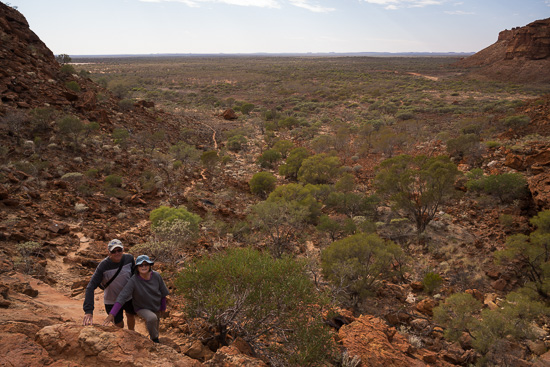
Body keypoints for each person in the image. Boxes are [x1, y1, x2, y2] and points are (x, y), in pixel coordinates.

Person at [103, 255, 169, 343]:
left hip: (155, 306)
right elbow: (122, 296)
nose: (144, 267)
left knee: (155, 326)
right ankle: (155, 341)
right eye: (141, 265)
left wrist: (163, 307)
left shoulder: (156, 276)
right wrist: (112, 314)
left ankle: (153, 341)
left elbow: (163, 293)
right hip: (141, 307)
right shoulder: (133, 280)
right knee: (152, 318)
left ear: (150, 266)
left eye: (146, 264)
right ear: (137, 267)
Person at [83, 239, 136, 330]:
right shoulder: (103, 266)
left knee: (130, 315)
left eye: (119, 250)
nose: (117, 253)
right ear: (109, 253)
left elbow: (135, 277)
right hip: (112, 300)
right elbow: (90, 287)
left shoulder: (129, 259)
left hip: (128, 297)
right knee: (119, 325)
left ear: (123, 250)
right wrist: (88, 311)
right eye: (113, 251)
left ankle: (133, 334)